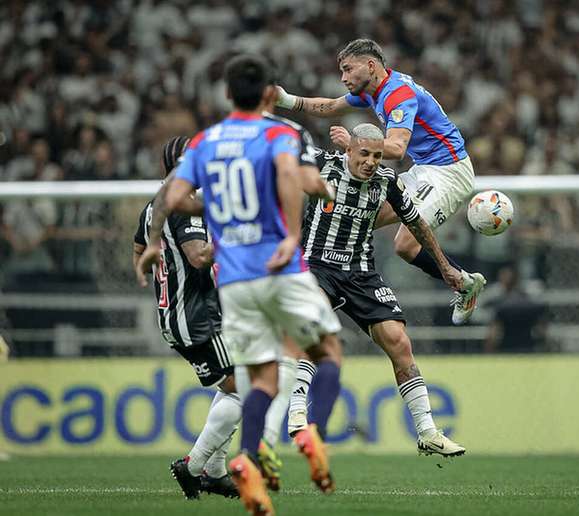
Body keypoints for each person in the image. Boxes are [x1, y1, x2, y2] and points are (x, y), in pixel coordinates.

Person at [135, 55, 342, 515]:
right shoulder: (281, 134)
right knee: (323, 350)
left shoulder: (208, 141)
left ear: (226, 94)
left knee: (256, 375)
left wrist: (151, 244)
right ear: (270, 94)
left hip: (233, 285)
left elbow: (169, 196)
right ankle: (312, 432)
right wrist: (307, 211)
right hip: (275, 266)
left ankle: (248, 455)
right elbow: (302, 180)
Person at [275, 38, 486, 326]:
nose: (343, 77)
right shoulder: (373, 90)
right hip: (424, 169)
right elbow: (331, 106)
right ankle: (337, 283)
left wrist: (354, 143)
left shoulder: (397, 94)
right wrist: (286, 100)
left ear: (371, 65)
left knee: (404, 245)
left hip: (447, 172)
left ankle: (463, 282)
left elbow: (397, 149)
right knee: (358, 219)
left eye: (348, 69)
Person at [287, 123, 466, 457]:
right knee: (314, 325)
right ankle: (297, 408)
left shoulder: (386, 181)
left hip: (361, 272)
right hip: (316, 265)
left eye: (377, 155)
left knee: (399, 341)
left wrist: (444, 266)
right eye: (364, 154)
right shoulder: (323, 164)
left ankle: (428, 432)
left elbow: (417, 224)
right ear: (350, 150)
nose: (370, 161)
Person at [133, 136, 240, 501]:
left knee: (236, 384)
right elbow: (198, 256)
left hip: (181, 313)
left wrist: (153, 272)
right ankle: (194, 467)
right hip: (195, 317)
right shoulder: (182, 205)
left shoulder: (154, 205)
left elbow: (139, 249)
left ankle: (214, 470)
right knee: (249, 388)